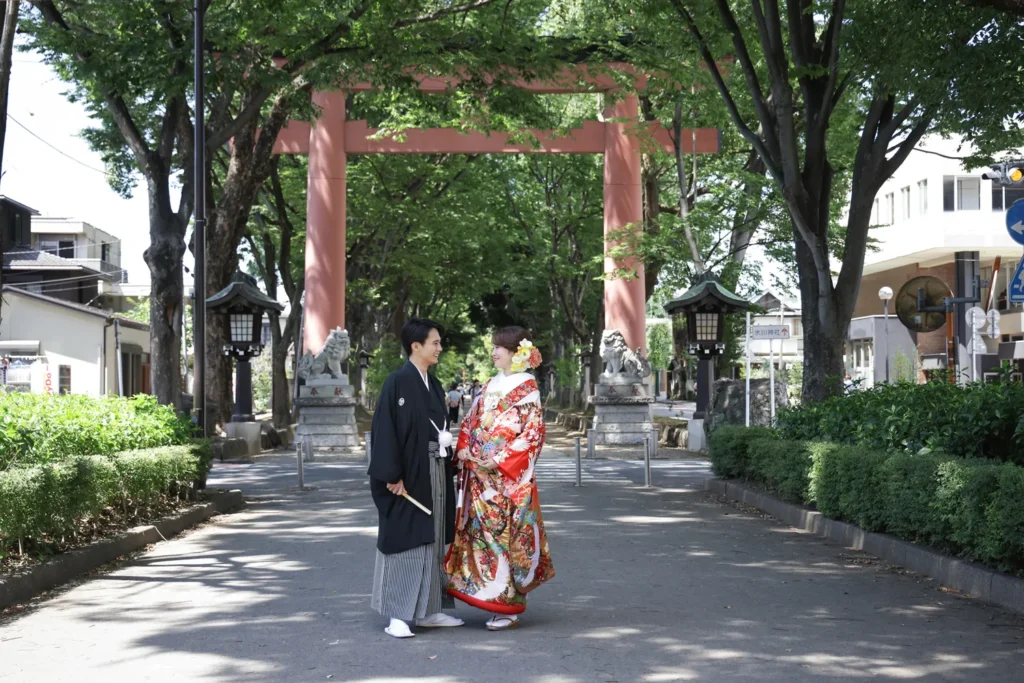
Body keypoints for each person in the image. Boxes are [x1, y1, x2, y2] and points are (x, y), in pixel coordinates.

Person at [445, 326, 555, 631]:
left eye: (499, 348)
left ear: (515, 352)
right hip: (480, 477)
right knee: (482, 536)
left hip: (504, 478)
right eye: (494, 347)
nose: (494, 352)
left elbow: (531, 433)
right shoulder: (492, 383)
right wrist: (465, 449)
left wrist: (498, 458)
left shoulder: (527, 386)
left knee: (505, 537)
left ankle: (507, 604)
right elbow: (470, 421)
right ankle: (484, 594)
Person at [368, 318, 463, 639]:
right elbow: (384, 431)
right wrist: (391, 475)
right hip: (407, 475)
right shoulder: (396, 382)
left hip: (435, 468)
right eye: (435, 342)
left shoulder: (433, 385)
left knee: (434, 535)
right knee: (405, 539)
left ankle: (429, 610)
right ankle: (397, 614)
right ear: (416, 346)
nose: (440, 348)